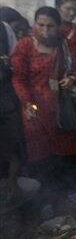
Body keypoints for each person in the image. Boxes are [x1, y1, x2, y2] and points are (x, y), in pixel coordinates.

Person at [10, 7, 76, 163]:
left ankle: (66, 183)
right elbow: (18, 78)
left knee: (64, 146)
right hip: (35, 106)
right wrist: (28, 103)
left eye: (50, 26)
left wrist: (72, 78)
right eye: (40, 25)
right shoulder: (25, 45)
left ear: (58, 27)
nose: (45, 30)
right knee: (39, 148)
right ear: (34, 24)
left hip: (60, 105)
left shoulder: (64, 44)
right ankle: (44, 183)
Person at [0, 21, 24, 199]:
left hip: (4, 95)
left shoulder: (4, 28)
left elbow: (14, 60)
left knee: (11, 141)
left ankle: (12, 184)